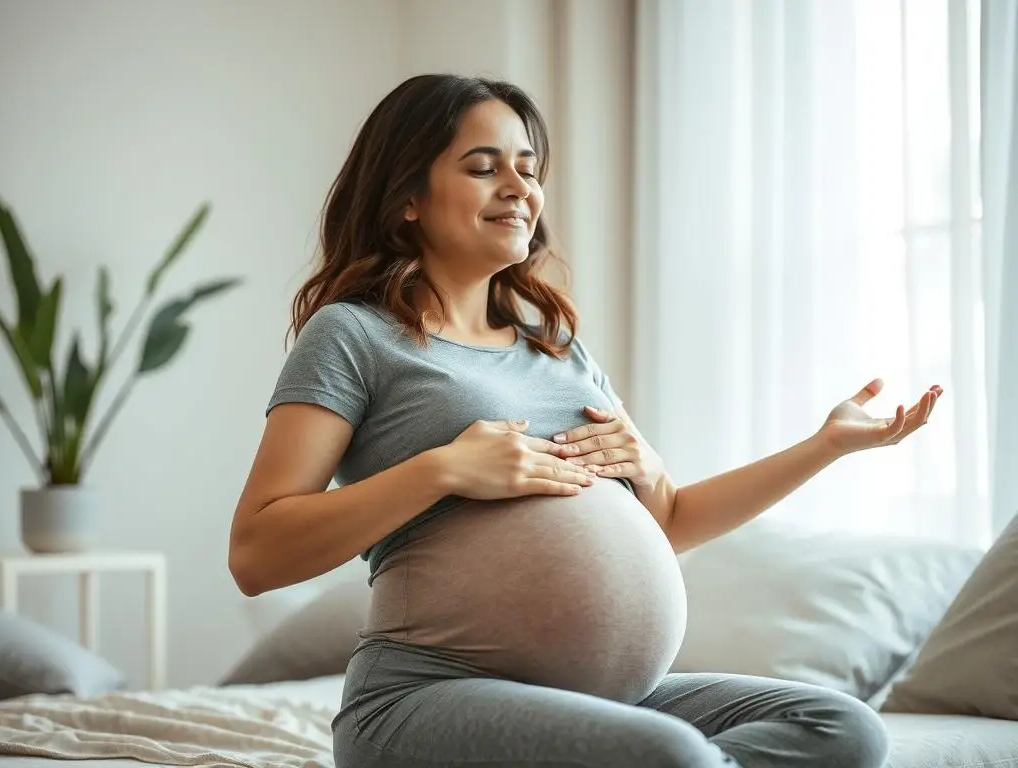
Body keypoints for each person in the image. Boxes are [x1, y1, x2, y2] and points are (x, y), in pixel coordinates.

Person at [228, 74, 942, 768]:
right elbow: (257, 553)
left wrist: (823, 447)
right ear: (408, 196)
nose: (519, 187)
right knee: (669, 756)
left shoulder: (555, 347)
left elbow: (669, 521)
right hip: (427, 694)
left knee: (838, 726)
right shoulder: (355, 335)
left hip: (608, 699)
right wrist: (442, 469)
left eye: (527, 168)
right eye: (483, 167)